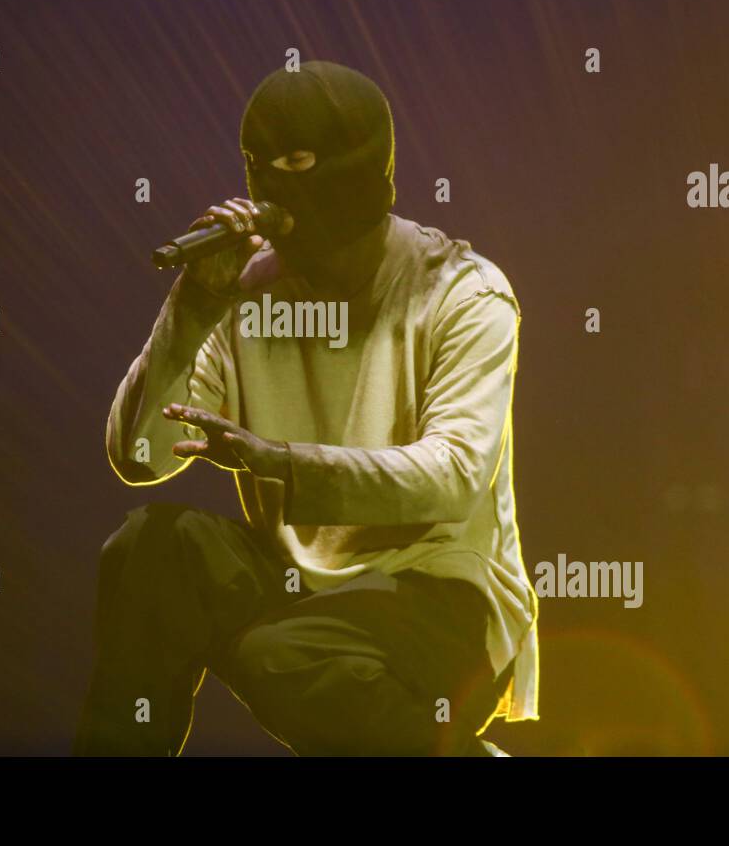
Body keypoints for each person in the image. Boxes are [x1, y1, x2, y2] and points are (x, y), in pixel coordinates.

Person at [72, 60, 539, 756]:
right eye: (260, 164)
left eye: (297, 161)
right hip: (300, 585)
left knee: (280, 655)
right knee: (152, 549)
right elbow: (138, 459)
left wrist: (285, 465)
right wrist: (194, 305)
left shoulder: (462, 292)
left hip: (441, 592)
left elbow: (452, 478)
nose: (272, 185)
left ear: (358, 174)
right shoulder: (244, 294)